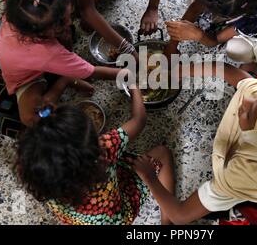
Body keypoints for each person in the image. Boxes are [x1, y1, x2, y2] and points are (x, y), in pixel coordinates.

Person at [130, 63, 257, 224]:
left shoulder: (243, 176)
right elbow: (231, 73)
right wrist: (180, 70)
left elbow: (180, 216)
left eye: (249, 113)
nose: (246, 100)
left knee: (247, 210)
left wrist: (149, 177)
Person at [16, 82, 176, 225]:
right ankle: (167, 221)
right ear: (91, 148)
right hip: (117, 216)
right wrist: (134, 86)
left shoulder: (34, 169)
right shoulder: (105, 150)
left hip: (81, 219)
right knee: (162, 153)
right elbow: (139, 119)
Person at [0, 0, 123, 127]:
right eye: (62, 22)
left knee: (66, 34)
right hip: (27, 78)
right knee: (31, 119)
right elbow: (92, 72)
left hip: (18, 51)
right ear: (39, 33)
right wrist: (125, 74)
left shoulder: (21, 1)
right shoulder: (47, 53)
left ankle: (66, 72)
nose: (69, 22)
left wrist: (62, 29)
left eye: (68, 15)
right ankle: (65, 79)